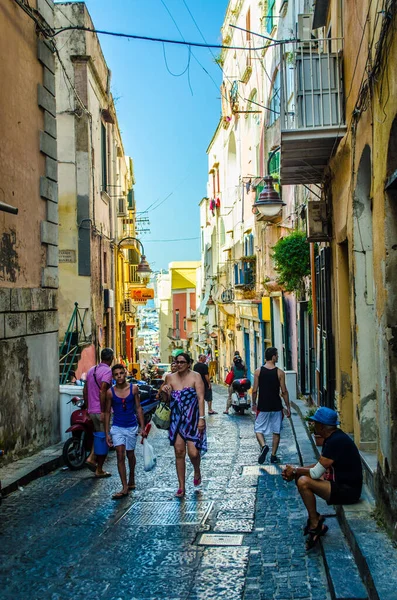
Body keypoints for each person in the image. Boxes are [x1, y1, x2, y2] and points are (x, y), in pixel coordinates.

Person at [282, 406, 363, 549]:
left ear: (322, 426)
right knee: (300, 476)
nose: (313, 425)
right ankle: (315, 518)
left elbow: (315, 473)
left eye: (315, 423)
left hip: (348, 491)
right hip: (340, 484)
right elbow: (319, 465)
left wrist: (295, 470)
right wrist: (295, 470)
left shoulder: (335, 442)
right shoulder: (333, 438)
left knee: (303, 481)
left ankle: (315, 522)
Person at [162, 352, 207, 498]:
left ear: (188, 364)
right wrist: (164, 391)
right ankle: (181, 486)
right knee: (179, 452)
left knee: (193, 453)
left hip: (193, 420)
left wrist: (202, 418)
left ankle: (197, 469)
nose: (179, 364)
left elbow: (201, 398)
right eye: (177, 362)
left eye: (182, 362)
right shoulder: (169, 378)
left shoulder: (196, 376)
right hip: (176, 421)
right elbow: (163, 399)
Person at [104, 364, 147, 500]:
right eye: (116, 374)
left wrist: (143, 427)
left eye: (121, 373)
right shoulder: (110, 392)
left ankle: (132, 477)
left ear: (125, 373)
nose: (119, 376)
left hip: (131, 427)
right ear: (113, 377)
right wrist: (107, 433)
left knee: (130, 454)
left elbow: (139, 408)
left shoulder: (134, 389)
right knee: (120, 454)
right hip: (117, 428)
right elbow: (107, 413)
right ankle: (124, 487)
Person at [251, 347, 291, 464]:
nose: (278, 357)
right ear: (273, 356)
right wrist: (287, 407)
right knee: (276, 431)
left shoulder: (258, 371)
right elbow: (284, 391)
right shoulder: (280, 373)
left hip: (263, 405)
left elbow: (254, 390)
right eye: (277, 355)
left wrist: (254, 403)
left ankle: (264, 446)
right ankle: (273, 455)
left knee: (258, 429)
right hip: (276, 406)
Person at [83, 347, 114, 477]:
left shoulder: (91, 370)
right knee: (103, 438)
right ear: (111, 359)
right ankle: (96, 465)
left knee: (98, 435)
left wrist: (87, 406)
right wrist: (102, 410)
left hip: (91, 409)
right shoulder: (107, 372)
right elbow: (103, 390)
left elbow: (85, 389)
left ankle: (94, 461)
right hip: (102, 411)